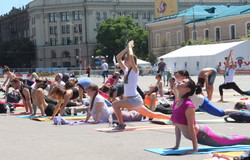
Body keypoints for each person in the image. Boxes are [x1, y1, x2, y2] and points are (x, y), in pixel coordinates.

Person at [166, 78, 250, 154]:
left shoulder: (188, 105)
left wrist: (195, 149)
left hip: (204, 135)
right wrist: (176, 146)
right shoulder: (176, 103)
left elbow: (191, 127)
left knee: (234, 140)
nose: (179, 81)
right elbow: (177, 125)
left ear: (187, 89)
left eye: (183, 81)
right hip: (200, 135)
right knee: (229, 138)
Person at [112, 40, 170, 130]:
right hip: (134, 100)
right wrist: (126, 48)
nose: (125, 60)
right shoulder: (126, 70)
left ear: (132, 61)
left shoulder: (135, 70)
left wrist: (130, 48)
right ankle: (173, 119)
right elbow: (118, 57)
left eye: (127, 59)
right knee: (152, 114)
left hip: (134, 99)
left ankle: (121, 124)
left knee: (115, 104)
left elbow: (131, 57)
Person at [54, 84, 143, 125]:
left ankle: (142, 112)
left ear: (93, 91)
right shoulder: (92, 98)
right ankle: (141, 112)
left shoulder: (99, 98)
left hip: (113, 114)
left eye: (88, 90)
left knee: (132, 116)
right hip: (109, 115)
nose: (87, 92)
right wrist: (86, 120)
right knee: (130, 116)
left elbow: (98, 110)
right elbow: (90, 110)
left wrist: (96, 121)